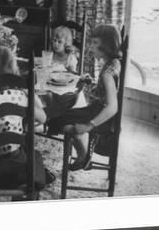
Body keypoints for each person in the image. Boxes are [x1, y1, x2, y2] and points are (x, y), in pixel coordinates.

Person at [0, 46, 52, 188]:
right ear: (13, 70)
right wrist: (28, 91)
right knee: (34, 154)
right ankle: (32, 181)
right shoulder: (20, 96)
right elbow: (43, 118)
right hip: (14, 163)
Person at [47, 24, 121, 171]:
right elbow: (108, 92)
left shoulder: (107, 74)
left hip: (101, 116)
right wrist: (92, 83)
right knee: (61, 117)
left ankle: (84, 155)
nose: (90, 47)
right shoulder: (114, 63)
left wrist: (89, 125)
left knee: (59, 121)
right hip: (98, 109)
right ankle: (84, 147)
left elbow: (113, 107)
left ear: (106, 45)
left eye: (95, 43)